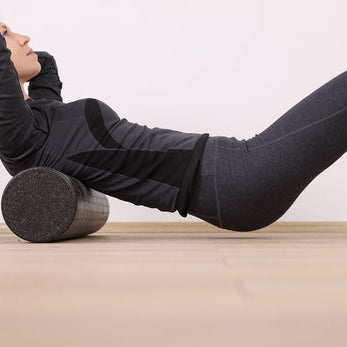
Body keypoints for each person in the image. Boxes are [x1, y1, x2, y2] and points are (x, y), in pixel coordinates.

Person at [0, 22, 346, 232]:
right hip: (236, 179)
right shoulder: (23, 140)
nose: (24, 37)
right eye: (7, 35)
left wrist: (15, 56)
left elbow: (46, 63)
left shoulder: (41, 115)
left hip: (234, 167)